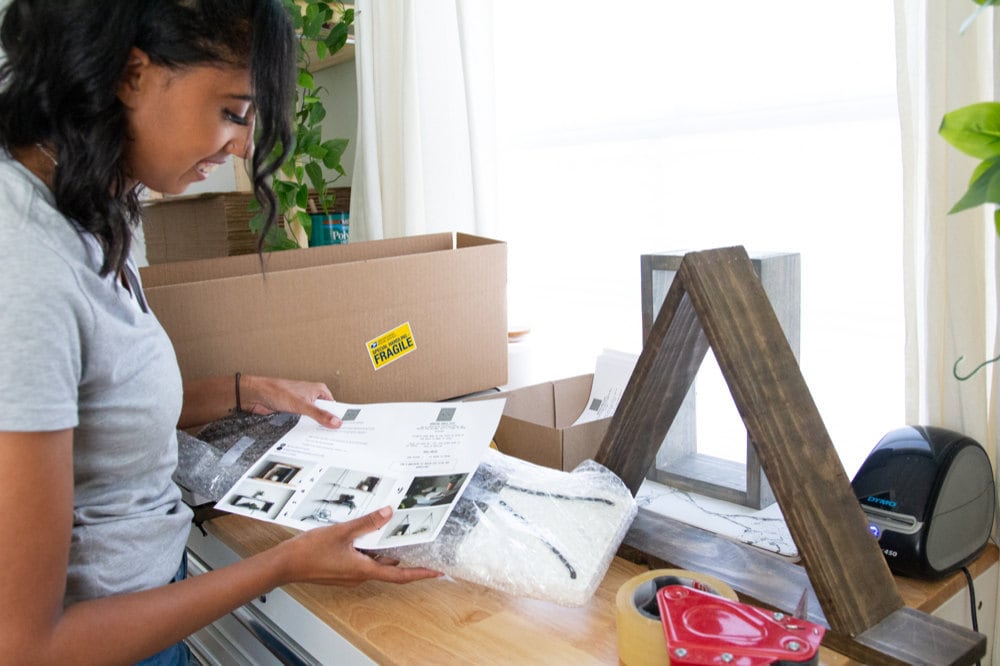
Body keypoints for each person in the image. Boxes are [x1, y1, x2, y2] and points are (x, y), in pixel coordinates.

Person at [0, 2, 440, 664]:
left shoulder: (86, 204)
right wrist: (281, 564)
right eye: (233, 111)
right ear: (132, 74)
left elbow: (85, 407)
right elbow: (28, 647)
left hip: (150, 604)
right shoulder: (26, 266)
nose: (242, 145)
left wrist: (243, 391)